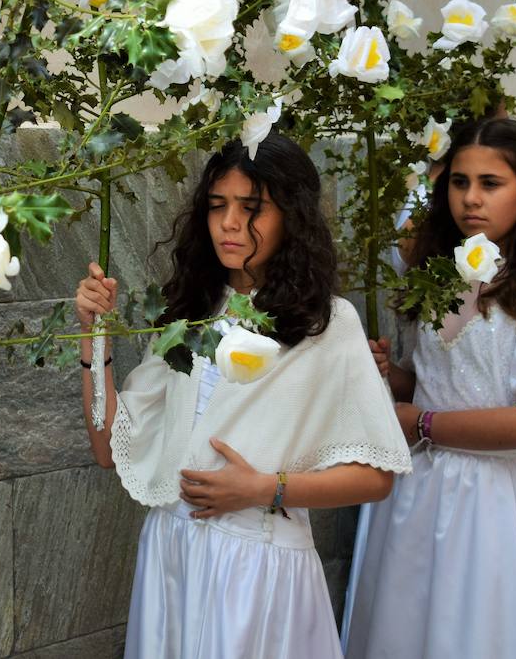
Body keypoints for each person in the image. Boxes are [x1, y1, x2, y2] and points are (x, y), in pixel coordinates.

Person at [75, 133, 411, 659]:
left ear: (292, 217)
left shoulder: (328, 323)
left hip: (257, 565)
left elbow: (376, 476)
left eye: (251, 208)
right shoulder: (193, 312)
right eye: (217, 205)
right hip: (173, 551)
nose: (229, 223)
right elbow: (107, 446)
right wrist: (93, 335)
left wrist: (262, 488)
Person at [345, 117, 516, 658]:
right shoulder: (439, 275)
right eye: (459, 182)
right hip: (418, 492)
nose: (470, 198)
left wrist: (421, 423)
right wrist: (389, 376)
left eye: (491, 183)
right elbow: (435, 381)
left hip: (499, 499)